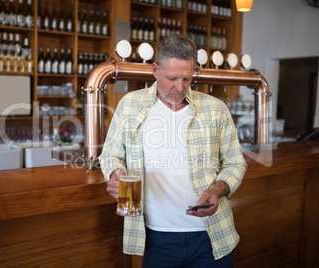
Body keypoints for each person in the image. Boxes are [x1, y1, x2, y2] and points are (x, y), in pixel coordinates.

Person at [99, 34, 247, 267]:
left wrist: (217, 191)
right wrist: (115, 173)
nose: (180, 88)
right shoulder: (129, 105)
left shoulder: (215, 109)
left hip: (211, 236)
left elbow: (235, 163)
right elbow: (109, 154)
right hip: (156, 238)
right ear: (155, 70)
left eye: (187, 79)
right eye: (172, 78)